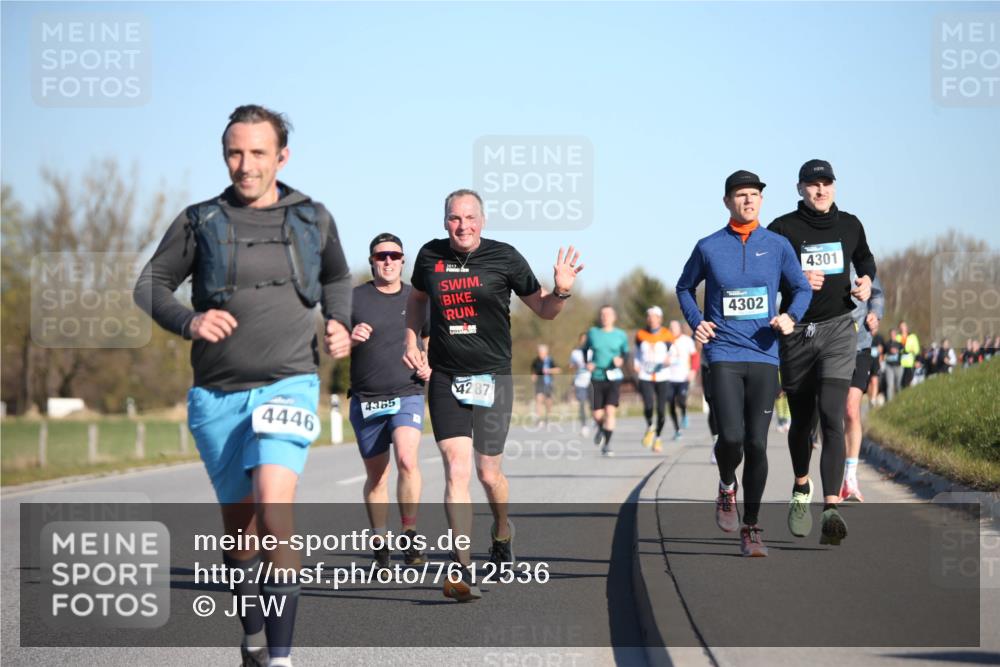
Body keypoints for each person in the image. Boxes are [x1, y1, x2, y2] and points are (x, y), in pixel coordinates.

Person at [135, 105, 352, 667]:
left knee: (275, 511)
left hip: (290, 382)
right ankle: (252, 630)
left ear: (282, 156)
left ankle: (280, 659)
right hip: (216, 396)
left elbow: (335, 277)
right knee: (242, 531)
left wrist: (338, 321)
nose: (245, 164)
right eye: (235, 152)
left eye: (258, 152)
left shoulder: (312, 218)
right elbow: (151, 284)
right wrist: (189, 320)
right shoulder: (199, 220)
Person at [402, 188, 583, 602]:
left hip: (493, 379)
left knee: (488, 474)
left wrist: (561, 291)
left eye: (469, 218)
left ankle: (502, 530)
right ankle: (462, 567)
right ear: (444, 220)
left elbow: (544, 309)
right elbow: (416, 299)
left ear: (482, 221)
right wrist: (411, 340)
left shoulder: (504, 257)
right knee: (456, 469)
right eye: (453, 218)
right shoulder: (430, 256)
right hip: (446, 377)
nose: (461, 226)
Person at [677, 170, 812, 557]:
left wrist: (790, 316)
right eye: (740, 195)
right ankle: (725, 485)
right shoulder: (708, 246)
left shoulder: (778, 245)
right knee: (731, 437)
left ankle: (751, 527)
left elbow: (801, 287)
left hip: (765, 354)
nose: (748, 200)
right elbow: (684, 287)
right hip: (723, 353)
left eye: (753, 195)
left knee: (756, 443)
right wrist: (696, 321)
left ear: (761, 201)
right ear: (727, 202)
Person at [768, 159, 876, 545]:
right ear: (800, 188)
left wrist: (865, 281)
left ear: (834, 186)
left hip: (836, 330)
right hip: (796, 333)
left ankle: (830, 507)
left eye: (826, 183)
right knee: (802, 421)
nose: (820, 190)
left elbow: (864, 260)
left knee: (833, 414)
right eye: (812, 184)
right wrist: (796, 275)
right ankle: (801, 487)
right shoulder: (782, 229)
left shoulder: (850, 224)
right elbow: (765, 278)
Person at [347, 233, 430, 570]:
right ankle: (380, 543)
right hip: (367, 398)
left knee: (408, 460)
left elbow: (430, 338)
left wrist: (430, 365)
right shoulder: (353, 299)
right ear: (372, 261)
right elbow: (329, 345)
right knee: (377, 477)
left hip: (407, 392)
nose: (388, 261)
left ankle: (409, 535)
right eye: (381, 256)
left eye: (394, 255)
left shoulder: (417, 298)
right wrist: (349, 339)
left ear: (402, 260)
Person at [841, 270, 884, 502]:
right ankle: (828, 474)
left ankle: (850, 477)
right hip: (829, 347)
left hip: (860, 346)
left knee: (851, 409)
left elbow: (877, 295)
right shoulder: (822, 251)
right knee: (830, 413)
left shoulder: (861, 263)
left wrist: (875, 314)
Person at [586, 305, 630, 457]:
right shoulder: (593, 333)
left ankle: (607, 444)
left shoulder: (620, 335)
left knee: (610, 411)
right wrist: (588, 363)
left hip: (614, 376)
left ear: (614, 317)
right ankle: (600, 428)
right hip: (596, 377)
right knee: (597, 414)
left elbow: (625, 352)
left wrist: (621, 360)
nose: (605, 317)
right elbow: (584, 350)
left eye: (608, 314)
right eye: (603, 314)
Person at [633, 306, 674, 452]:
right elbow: (637, 353)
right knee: (648, 406)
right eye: (649, 316)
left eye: (654, 316)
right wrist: (636, 365)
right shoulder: (640, 334)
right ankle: (650, 426)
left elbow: (673, 353)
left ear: (660, 319)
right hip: (645, 375)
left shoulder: (667, 334)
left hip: (662, 375)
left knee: (661, 409)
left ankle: (658, 438)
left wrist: (670, 359)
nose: (651, 319)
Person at [664, 319, 697, 441]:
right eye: (671, 327)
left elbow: (695, 357)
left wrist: (693, 371)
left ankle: (684, 413)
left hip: (683, 376)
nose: (673, 330)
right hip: (669, 377)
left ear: (679, 328)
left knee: (681, 400)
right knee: (671, 403)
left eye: (675, 327)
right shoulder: (665, 341)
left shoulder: (687, 341)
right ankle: (677, 430)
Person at [569, 332, 593, 436]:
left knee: (594, 405)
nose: (584, 342)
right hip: (580, 381)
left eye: (586, 340)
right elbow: (571, 366)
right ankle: (584, 426)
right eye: (582, 340)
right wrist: (575, 366)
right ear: (579, 341)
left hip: (592, 381)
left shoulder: (593, 352)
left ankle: (596, 422)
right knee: (582, 404)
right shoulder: (575, 353)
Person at [530, 344, 561, 425]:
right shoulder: (535, 361)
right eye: (539, 352)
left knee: (548, 401)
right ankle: (538, 418)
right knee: (538, 399)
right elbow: (533, 371)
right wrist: (533, 376)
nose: (540, 354)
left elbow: (558, 370)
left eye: (542, 353)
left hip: (548, 383)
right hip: (539, 383)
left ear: (546, 353)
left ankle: (548, 417)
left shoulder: (550, 360)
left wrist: (549, 370)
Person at [898, 321, 921, 388]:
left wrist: (917, 360)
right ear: (899, 328)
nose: (902, 328)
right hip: (900, 364)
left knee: (909, 382)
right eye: (901, 326)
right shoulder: (898, 337)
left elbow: (917, 350)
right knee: (900, 384)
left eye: (904, 326)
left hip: (910, 363)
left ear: (906, 327)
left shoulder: (913, 337)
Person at [883, 328, 903, 400]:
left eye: (894, 334)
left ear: (896, 335)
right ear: (890, 335)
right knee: (890, 385)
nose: (892, 335)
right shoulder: (886, 344)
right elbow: (883, 354)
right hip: (889, 366)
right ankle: (889, 402)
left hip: (898, 366)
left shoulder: (899, 344)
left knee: (898, 384)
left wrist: (897, 351)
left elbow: (904, 353)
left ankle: (899, 400)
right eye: (891, 334)